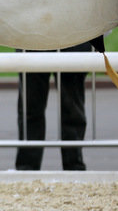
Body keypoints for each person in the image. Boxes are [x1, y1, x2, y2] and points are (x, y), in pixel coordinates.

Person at [15, 42, 92, 171]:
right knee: (32, 108)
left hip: (68, 37)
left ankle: (28, 167)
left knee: (72, 109)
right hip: (37, 36)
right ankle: (72, 167)